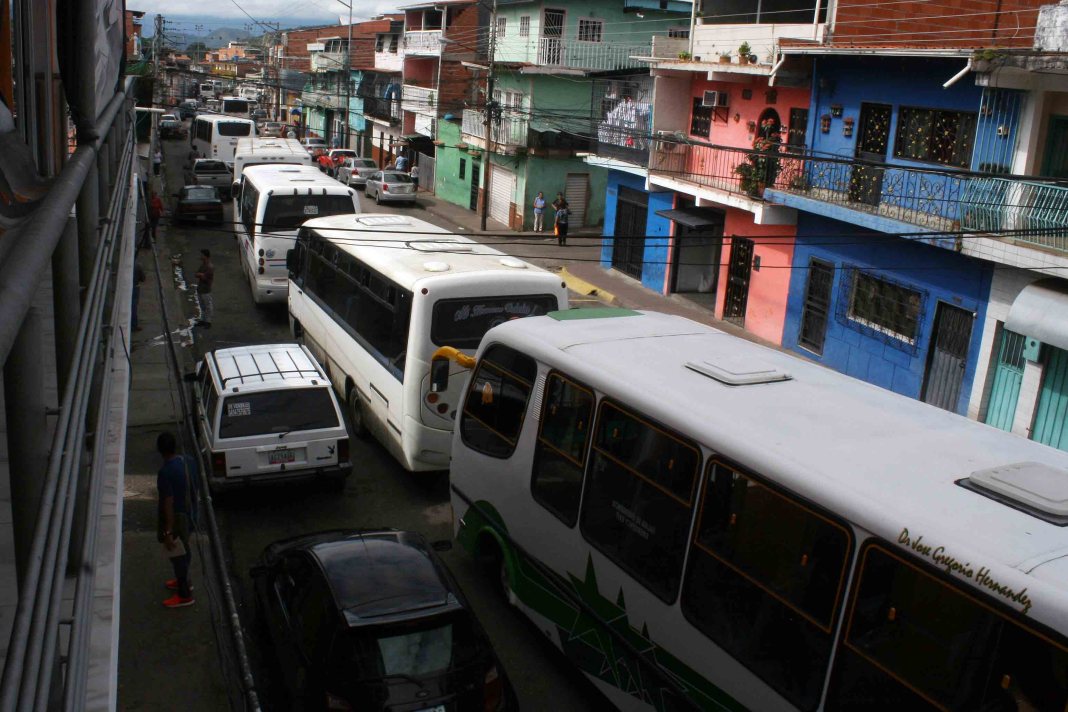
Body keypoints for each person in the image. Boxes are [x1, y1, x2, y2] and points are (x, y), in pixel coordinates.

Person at [156, 431, 196, 608]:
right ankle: (184, 581)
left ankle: (184, 593)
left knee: (177, 552)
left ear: (160, 450)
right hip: (191, 513)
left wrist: (168, 531)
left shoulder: (165, 473)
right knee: (184, 547)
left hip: (178, 518)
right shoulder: (188, 461)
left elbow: (168, 502)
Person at [195, 249, 214, 328]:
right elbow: (196, 274)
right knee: (202, 306)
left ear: (205, 256)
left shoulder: (210, 267)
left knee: (208, 306)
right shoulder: (203, 265)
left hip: (206, 290)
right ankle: (203, 320)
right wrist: (200, 275)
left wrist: (201, 275)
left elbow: (206, 278)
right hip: (200, 289)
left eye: (201, 255)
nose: (200, 256)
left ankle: (208, 322)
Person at [132, 261, 145, 332]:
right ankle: (134, 325)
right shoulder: (137, 265)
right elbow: (143, 278)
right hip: (135, 287)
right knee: (134, 307)